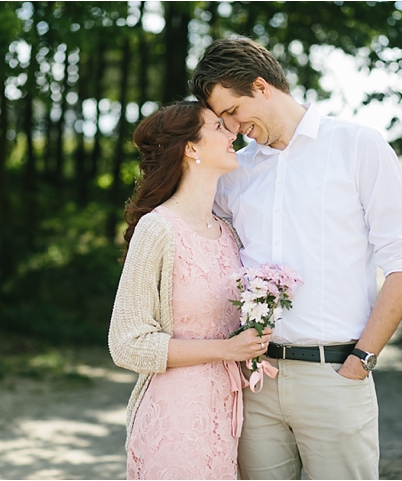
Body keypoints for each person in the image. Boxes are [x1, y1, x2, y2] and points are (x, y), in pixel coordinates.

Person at [191, 37, 402, 480]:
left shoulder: (358, 147)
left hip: (335, 375)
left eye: (232, 112)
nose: (233, 128)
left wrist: (362, 360)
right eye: (222, 121)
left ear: (261, 86)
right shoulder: (234, 174)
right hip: (258, 381)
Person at [108, 100, 273, 480]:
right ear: (191, 148)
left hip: (227, 415)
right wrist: (225, 350)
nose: (233, 132)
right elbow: (126, 343)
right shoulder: (158, 229)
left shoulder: (228, 233)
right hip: (175, 419)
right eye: (218, 127)